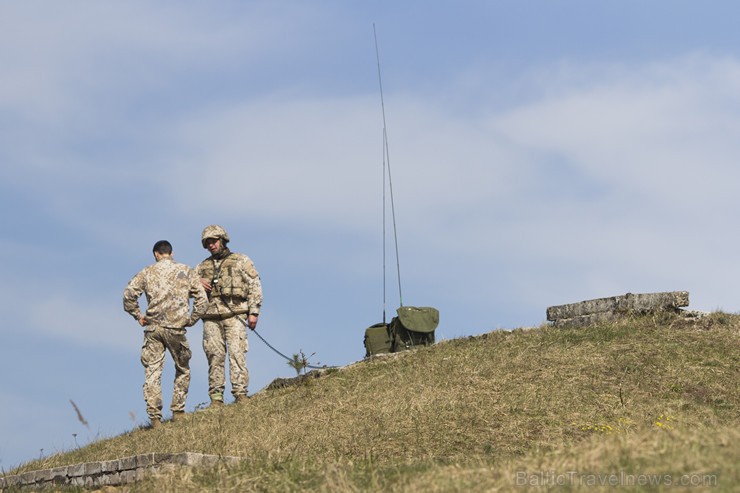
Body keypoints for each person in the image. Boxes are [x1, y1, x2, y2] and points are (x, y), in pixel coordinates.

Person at [123, 240, 208, 428]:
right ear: (172, 252)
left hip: (153, 329)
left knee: (153, 372)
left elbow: (128, 295)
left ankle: (155, 418)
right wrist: (191, 319)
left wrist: (138, 315)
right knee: (183, 367)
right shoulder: (186, 270)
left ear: (156, 254)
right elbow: (202, 300)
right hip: (176, 328)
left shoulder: (147, 272)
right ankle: (178, 410)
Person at [196, 225, 263, 406]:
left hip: (235, 314)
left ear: (223, 240)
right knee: (214, 356)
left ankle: (240, 393)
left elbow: (254, 285)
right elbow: (186, 289)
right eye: (208, 242)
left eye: (214, 241)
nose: (211, 245)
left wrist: (254, 312)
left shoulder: (241, 260)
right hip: (211, 316)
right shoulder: (201, 267)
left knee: (237, 353)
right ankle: (216, 397)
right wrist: (196, 283)